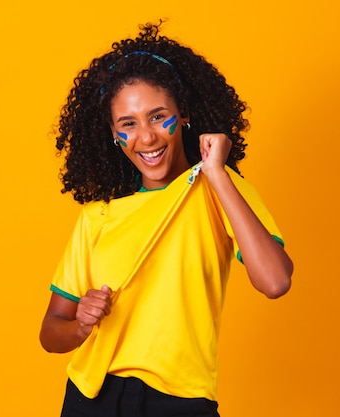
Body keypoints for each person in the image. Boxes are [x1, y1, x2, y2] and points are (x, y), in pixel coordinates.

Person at [39, 21, 293, 417]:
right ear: (112, 133)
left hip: (180, 401)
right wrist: (80, 325)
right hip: (91, 399)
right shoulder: (98, 215)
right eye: (128, 124)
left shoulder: (219, 190)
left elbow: (275, 281)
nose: (147, 138)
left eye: (159, 117)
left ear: (185, 114)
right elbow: (51, 331)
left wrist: (217, 172)